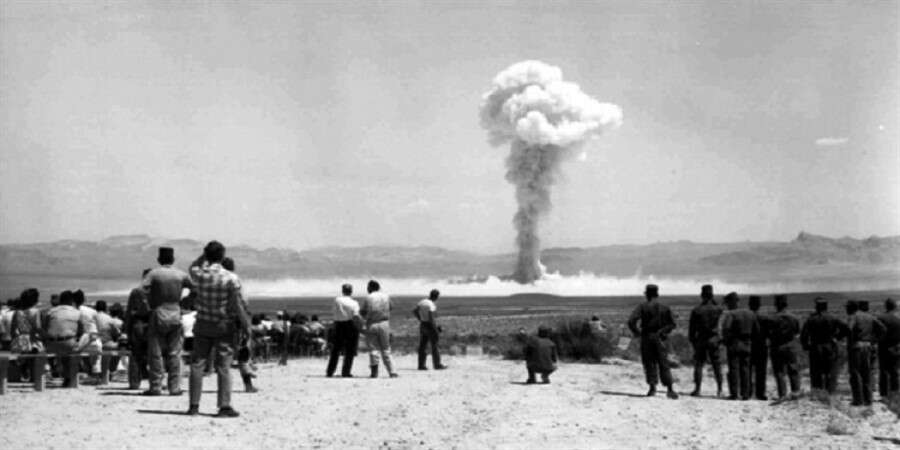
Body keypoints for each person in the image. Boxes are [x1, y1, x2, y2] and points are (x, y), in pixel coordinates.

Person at [187, 241, 251, 417]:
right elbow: (236, 304)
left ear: (206, 255)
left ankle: (193, 406)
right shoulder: (230, 278)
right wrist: (246, 325)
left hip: (202, 323)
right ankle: (224, 406)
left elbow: (192, 266)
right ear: (222, 256)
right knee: (224, 366)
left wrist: (204, 256)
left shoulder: (199, 274)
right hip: (223, 325)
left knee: (197, 364)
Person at [142, 246, 195, 396]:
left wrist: (150, 302)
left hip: (158, 312)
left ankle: (156, 386)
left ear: (159, 259)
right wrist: (185, 301)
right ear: (173, 259)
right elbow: (195, 289)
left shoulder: (154, 274)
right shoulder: (181, 274)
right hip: (175, 312)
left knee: (156, 352)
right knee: (175, 352)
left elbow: (143, 289)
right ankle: (174, 387)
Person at [627, 284, 678, 399]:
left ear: (647, 295)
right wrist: (663, 331)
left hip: (647, 337)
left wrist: (637, 333)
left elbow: (631, 321)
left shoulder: (642, 307)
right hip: (661, 338)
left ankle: (652, 388)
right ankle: (670, 389)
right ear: (657, 294)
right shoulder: (665, 307)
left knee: (649, 363)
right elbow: (672, 324)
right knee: (664, 363)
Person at [43, 290, 91, 387]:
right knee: (88, 336)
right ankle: (74, 373)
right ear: (71, 301)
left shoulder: (50, 311)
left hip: (51, 345)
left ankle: (61, 372)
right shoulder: (77, 312)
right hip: (68, 344)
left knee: (65, 351)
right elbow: (82, 331)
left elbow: (45, 328)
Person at [800, 297, 847, 395]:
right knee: (831, 371)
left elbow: (804, 335)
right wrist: (837, 338)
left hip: (815, 347)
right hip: (830, 346)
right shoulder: (833, 318)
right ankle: (830, 392)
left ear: (817, 307)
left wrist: (806, 346)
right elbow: (846, 328)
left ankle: (817, 392)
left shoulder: (811, 319)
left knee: (816, 372)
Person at [847, 300, 885, 406]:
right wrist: (874, 340)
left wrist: (850, 341)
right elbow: (883, 329)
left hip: (856, 346)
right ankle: (868, 399)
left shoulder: (854, 316)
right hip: (868, 346)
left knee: (856, 373)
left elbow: (849, 328)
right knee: (867, 373)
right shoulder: (870, 317)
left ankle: (858, 400)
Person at [720, 292, 758, 400]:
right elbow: (756, 330)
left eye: (727, 303)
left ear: (731, 302)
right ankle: (745, 394)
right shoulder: (750, 313)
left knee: (734, 369)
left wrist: (726, 341)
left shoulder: (731, 314)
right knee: (746, 369)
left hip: (734, 343)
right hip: (747, 343)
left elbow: (726, 329)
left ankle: (734, 394)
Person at [688, 284, 723, 397]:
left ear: (702, 295)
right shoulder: (718, 309)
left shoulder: (697, 310)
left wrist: (693, 342)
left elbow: (691, 330)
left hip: (701, 339)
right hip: (714, 339)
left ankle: (697, 389)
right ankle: (720, 389)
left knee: (698, 364)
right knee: (716, 365)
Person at [360, 279, 398, 378]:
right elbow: (391, 307)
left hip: (372, 323)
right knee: (386, 348)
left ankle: (374, 372)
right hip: (384, 323)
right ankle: (392, 372)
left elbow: (363, 311)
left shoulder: (368, 297)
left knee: (373, 349)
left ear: (370, 287)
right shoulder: (386, 296)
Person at [769, 294, 802, 400]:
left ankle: (782, 394)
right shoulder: (794, 318)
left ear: (776, 304)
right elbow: (797, 332)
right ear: (786, 304)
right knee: (793, 369)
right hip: (791, 345)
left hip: (777, 346)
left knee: (779, 371)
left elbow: (769, 333)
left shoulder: (772, 318)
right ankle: (795, 392)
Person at [326, 283, 362, 378]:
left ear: (343, 291)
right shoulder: (354, 303)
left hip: (338, 325)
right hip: (350, 325)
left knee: (336, 349)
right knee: (350, 350)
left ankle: (330, 371)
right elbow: (356, 316)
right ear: (351, 291)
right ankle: (346, 372)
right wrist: (360, 326)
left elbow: (334, 311)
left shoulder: (337, 300)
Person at [125, 269, 152, 389]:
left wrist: (127, 331)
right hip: (152, 326)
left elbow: (129, 313)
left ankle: (134, 382)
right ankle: (155, 382)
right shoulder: (157, 293)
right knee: (155, 355)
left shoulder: (136, 292)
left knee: (136, 354)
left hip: (138, 325)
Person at [10, 288, 43, 381]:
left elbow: (13, 329)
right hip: (32, 339)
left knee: (24, 358)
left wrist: (15, 339)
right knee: (34, 359)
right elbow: (37, 327)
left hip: (21, 339)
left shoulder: (17, 312)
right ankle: (33, 377)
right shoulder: (35, 311)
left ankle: (24, 371)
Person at [414, 289, 448, 371]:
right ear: (436, 297)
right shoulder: (431, 305)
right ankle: (437, 364)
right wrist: (435, 329)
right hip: (430, 325)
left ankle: (421, 365)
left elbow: (415, 311)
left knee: (423, 345)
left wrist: (420, 319)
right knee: (435, 345)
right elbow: (431, 318)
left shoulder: (422, 302)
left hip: (423, 324)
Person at [747, 295, 772, 400]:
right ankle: (760, 393)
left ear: (749, 304)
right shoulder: (765, 318)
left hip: (749, 345)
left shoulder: (747, 317)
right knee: (761, 371)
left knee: (747, 370)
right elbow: (770, 333)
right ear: (759, 305)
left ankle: (748, 392)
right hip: (762, 346)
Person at [878, 298, 900, 398]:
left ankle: (884, 393)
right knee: (894, 371)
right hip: (896, 347)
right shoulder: (898, 319)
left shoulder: (880, 318)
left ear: (885, 306)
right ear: (895, 307)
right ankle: (895, 392)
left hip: (883, 347)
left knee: (883, 371)